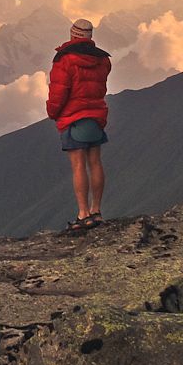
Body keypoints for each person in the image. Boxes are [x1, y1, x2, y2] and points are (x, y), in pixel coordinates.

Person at [46, 18, 112, 233]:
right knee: (95, 163)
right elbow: (99, 87)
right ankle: (96, 211)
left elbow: (58, 92)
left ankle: (83, 214)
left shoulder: (64, 60)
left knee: (78, 166)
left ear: (73, 35)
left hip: (73, 118)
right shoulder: (103, 60)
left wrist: (53, 113)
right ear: (90, 37)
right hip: (96, 116)